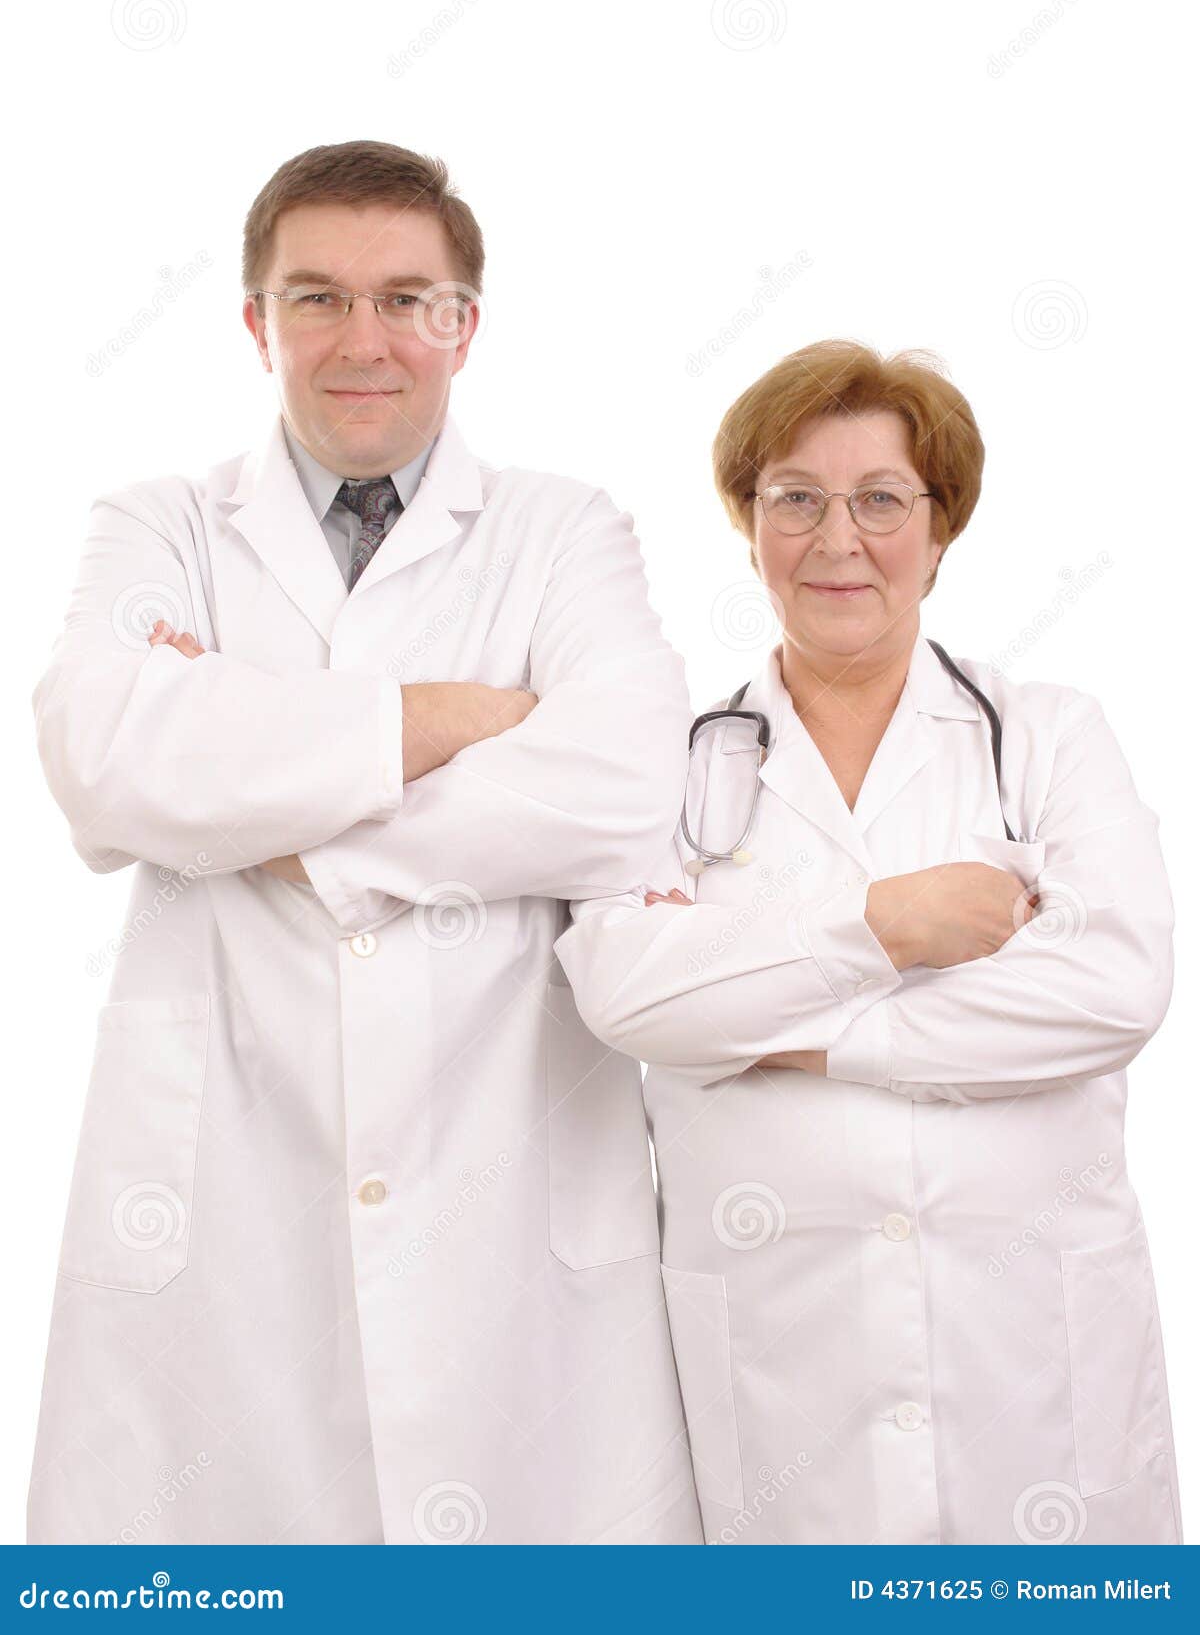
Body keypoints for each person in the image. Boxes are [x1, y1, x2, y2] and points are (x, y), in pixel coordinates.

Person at [29, 140, 702, 1545]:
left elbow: (626, 786)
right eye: (317, 297)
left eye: (410, 298)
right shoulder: (159, 527)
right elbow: (103, 762)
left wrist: (280, 813)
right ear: (256, 322)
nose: (365, 340)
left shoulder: (562, 531)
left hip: (509, 1187)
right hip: (226, 1191)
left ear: (467, 324)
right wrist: (450, 715)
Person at [555, 339, 1182, 1546]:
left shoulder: (1048, 739)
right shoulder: (667, 762)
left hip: (1031, 1374)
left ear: (941, 531)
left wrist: (781, 1024)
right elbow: (632, 999)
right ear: (749, 528)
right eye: (795, 498)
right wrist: (889, 925)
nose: (839, 539)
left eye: (883, 499)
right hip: (786, 1369)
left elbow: (1116, 989)